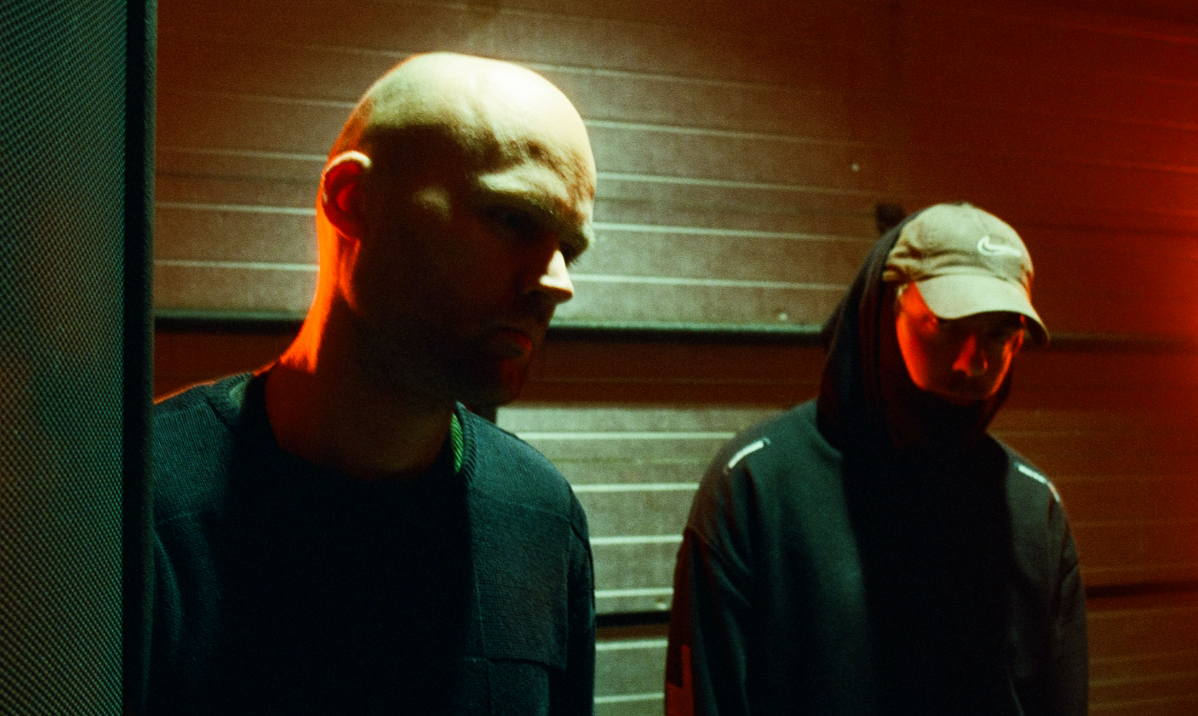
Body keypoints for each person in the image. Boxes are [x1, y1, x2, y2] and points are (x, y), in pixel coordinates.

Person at [146, 53, 597, 715]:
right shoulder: (140, 503)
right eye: (512, 218)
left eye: (569, 248)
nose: (558, 283)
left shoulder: (541, 518)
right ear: (352, 200)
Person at [665, 203, 1088, 715]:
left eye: (999, 333)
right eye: (947, 325)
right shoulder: (758, 486)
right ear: (885, 309)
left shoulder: (1031, 508)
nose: (972, 361)